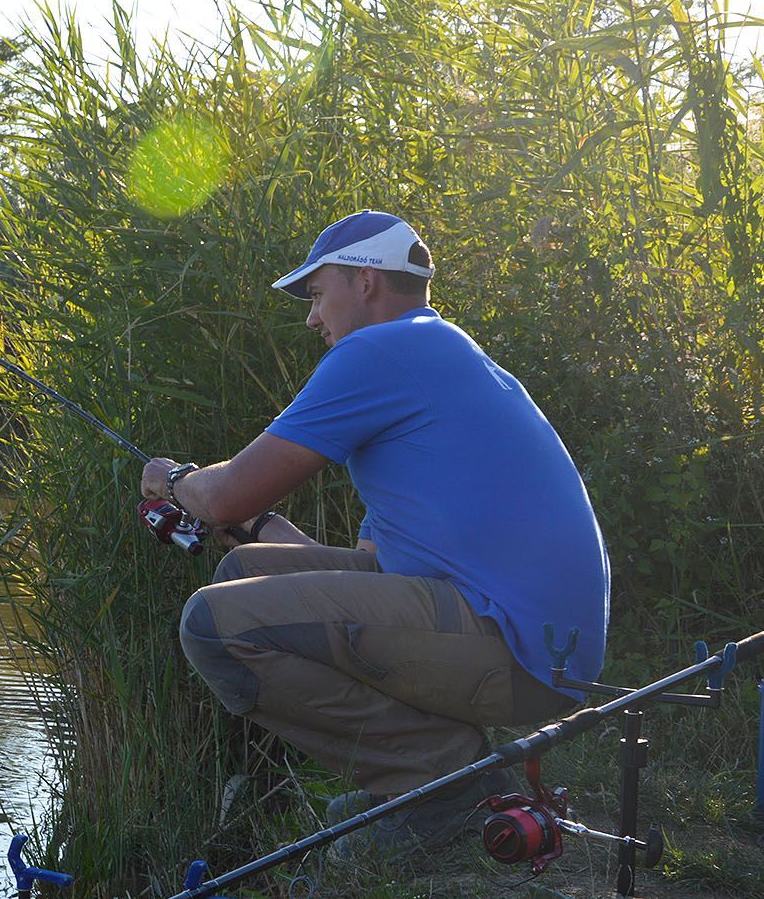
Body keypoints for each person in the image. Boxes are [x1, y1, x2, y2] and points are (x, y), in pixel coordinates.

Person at [138, 210, 610, 859]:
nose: (311, 317)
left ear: (364, 281)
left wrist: (172, 480)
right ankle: (427, 778)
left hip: (517, 652)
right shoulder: (438, 355)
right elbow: (366, 567)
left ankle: (443, 781)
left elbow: (223, 493)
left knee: (212, 627)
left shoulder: (382, 349)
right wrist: (250, 530)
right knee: (244, 576)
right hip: (524, 644)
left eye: (314, 291)